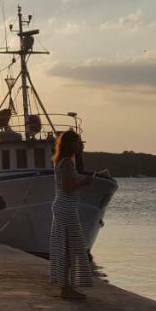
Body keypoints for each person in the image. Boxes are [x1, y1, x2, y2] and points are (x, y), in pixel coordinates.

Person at [50, 129, 94, 300]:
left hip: (62, 205)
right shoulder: (67, 162)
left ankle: (65, 285)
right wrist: (84, 182)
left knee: (65, 245)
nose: (80, 145)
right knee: (70, 247)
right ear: (70, 144)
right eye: (77, 142)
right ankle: (66, 287)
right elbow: (67, 187)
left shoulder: (60, 161)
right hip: (66, 207)